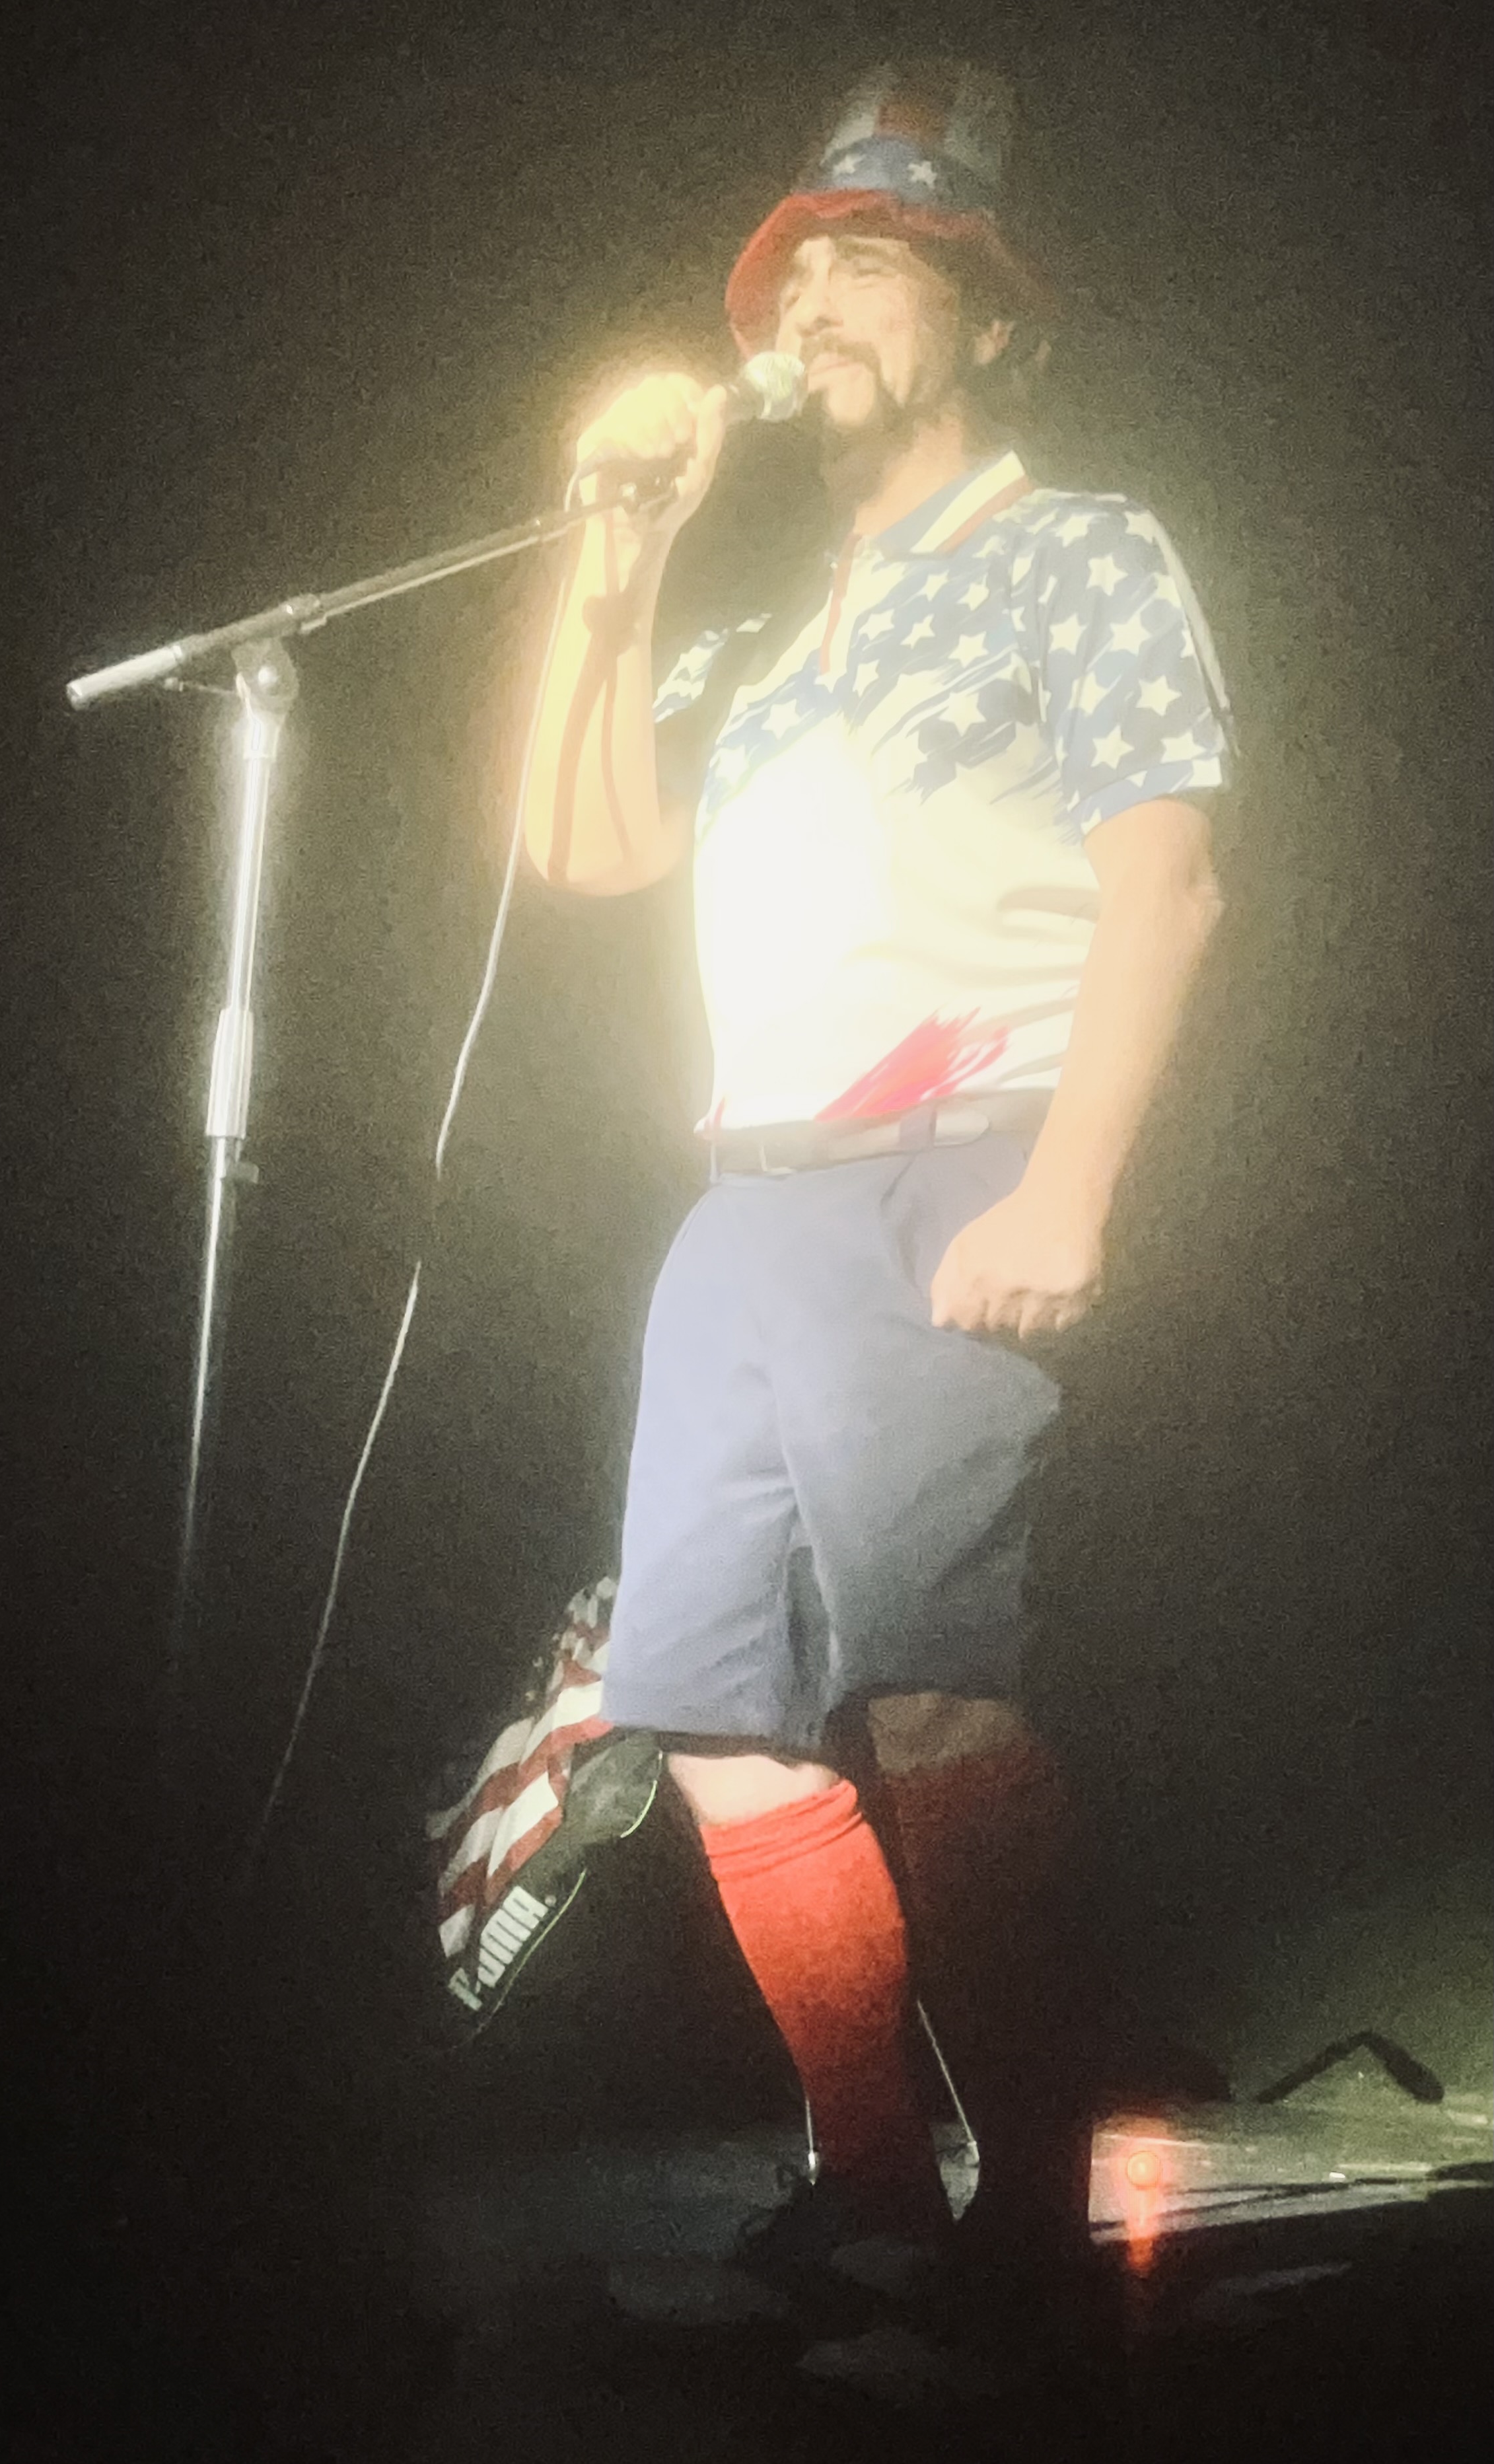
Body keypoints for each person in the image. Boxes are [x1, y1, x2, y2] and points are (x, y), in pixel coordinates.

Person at [521, 65, 1230, 2329]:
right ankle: (869, 2180)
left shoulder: (1075, 545)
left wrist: (1073, 1184)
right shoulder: (768, 635)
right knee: (702, 1705)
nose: (817, 297)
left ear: (990, 324)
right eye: (797, 268)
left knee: (926, 1688)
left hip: (951, 1155)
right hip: (743, 1195)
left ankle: (1031, 2207)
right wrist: (612, 557)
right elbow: (577, 847)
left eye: (879, 266)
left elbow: (1169, 879)